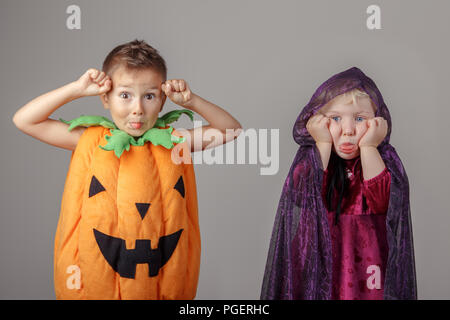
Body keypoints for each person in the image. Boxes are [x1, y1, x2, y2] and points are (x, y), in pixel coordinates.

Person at [13, 39, 242, 299]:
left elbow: (230, 130)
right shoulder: (89, 140)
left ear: (163, 100)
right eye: (125, 95)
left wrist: (192, 101)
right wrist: (76, 89)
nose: (138, 109)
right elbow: (25, 120)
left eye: (149, 96)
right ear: (105, 98)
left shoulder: (175, 142)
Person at [261, 67, 416, 300]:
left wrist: (369, 147)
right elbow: (303, 194)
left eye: (360, 118)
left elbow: (384, 200)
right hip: (320, 263)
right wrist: (322, 143)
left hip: (368, 268)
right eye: (335, 119)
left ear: (377, 123)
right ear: (317, 122)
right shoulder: (312, 162)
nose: (348, 130)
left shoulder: (383, 161)